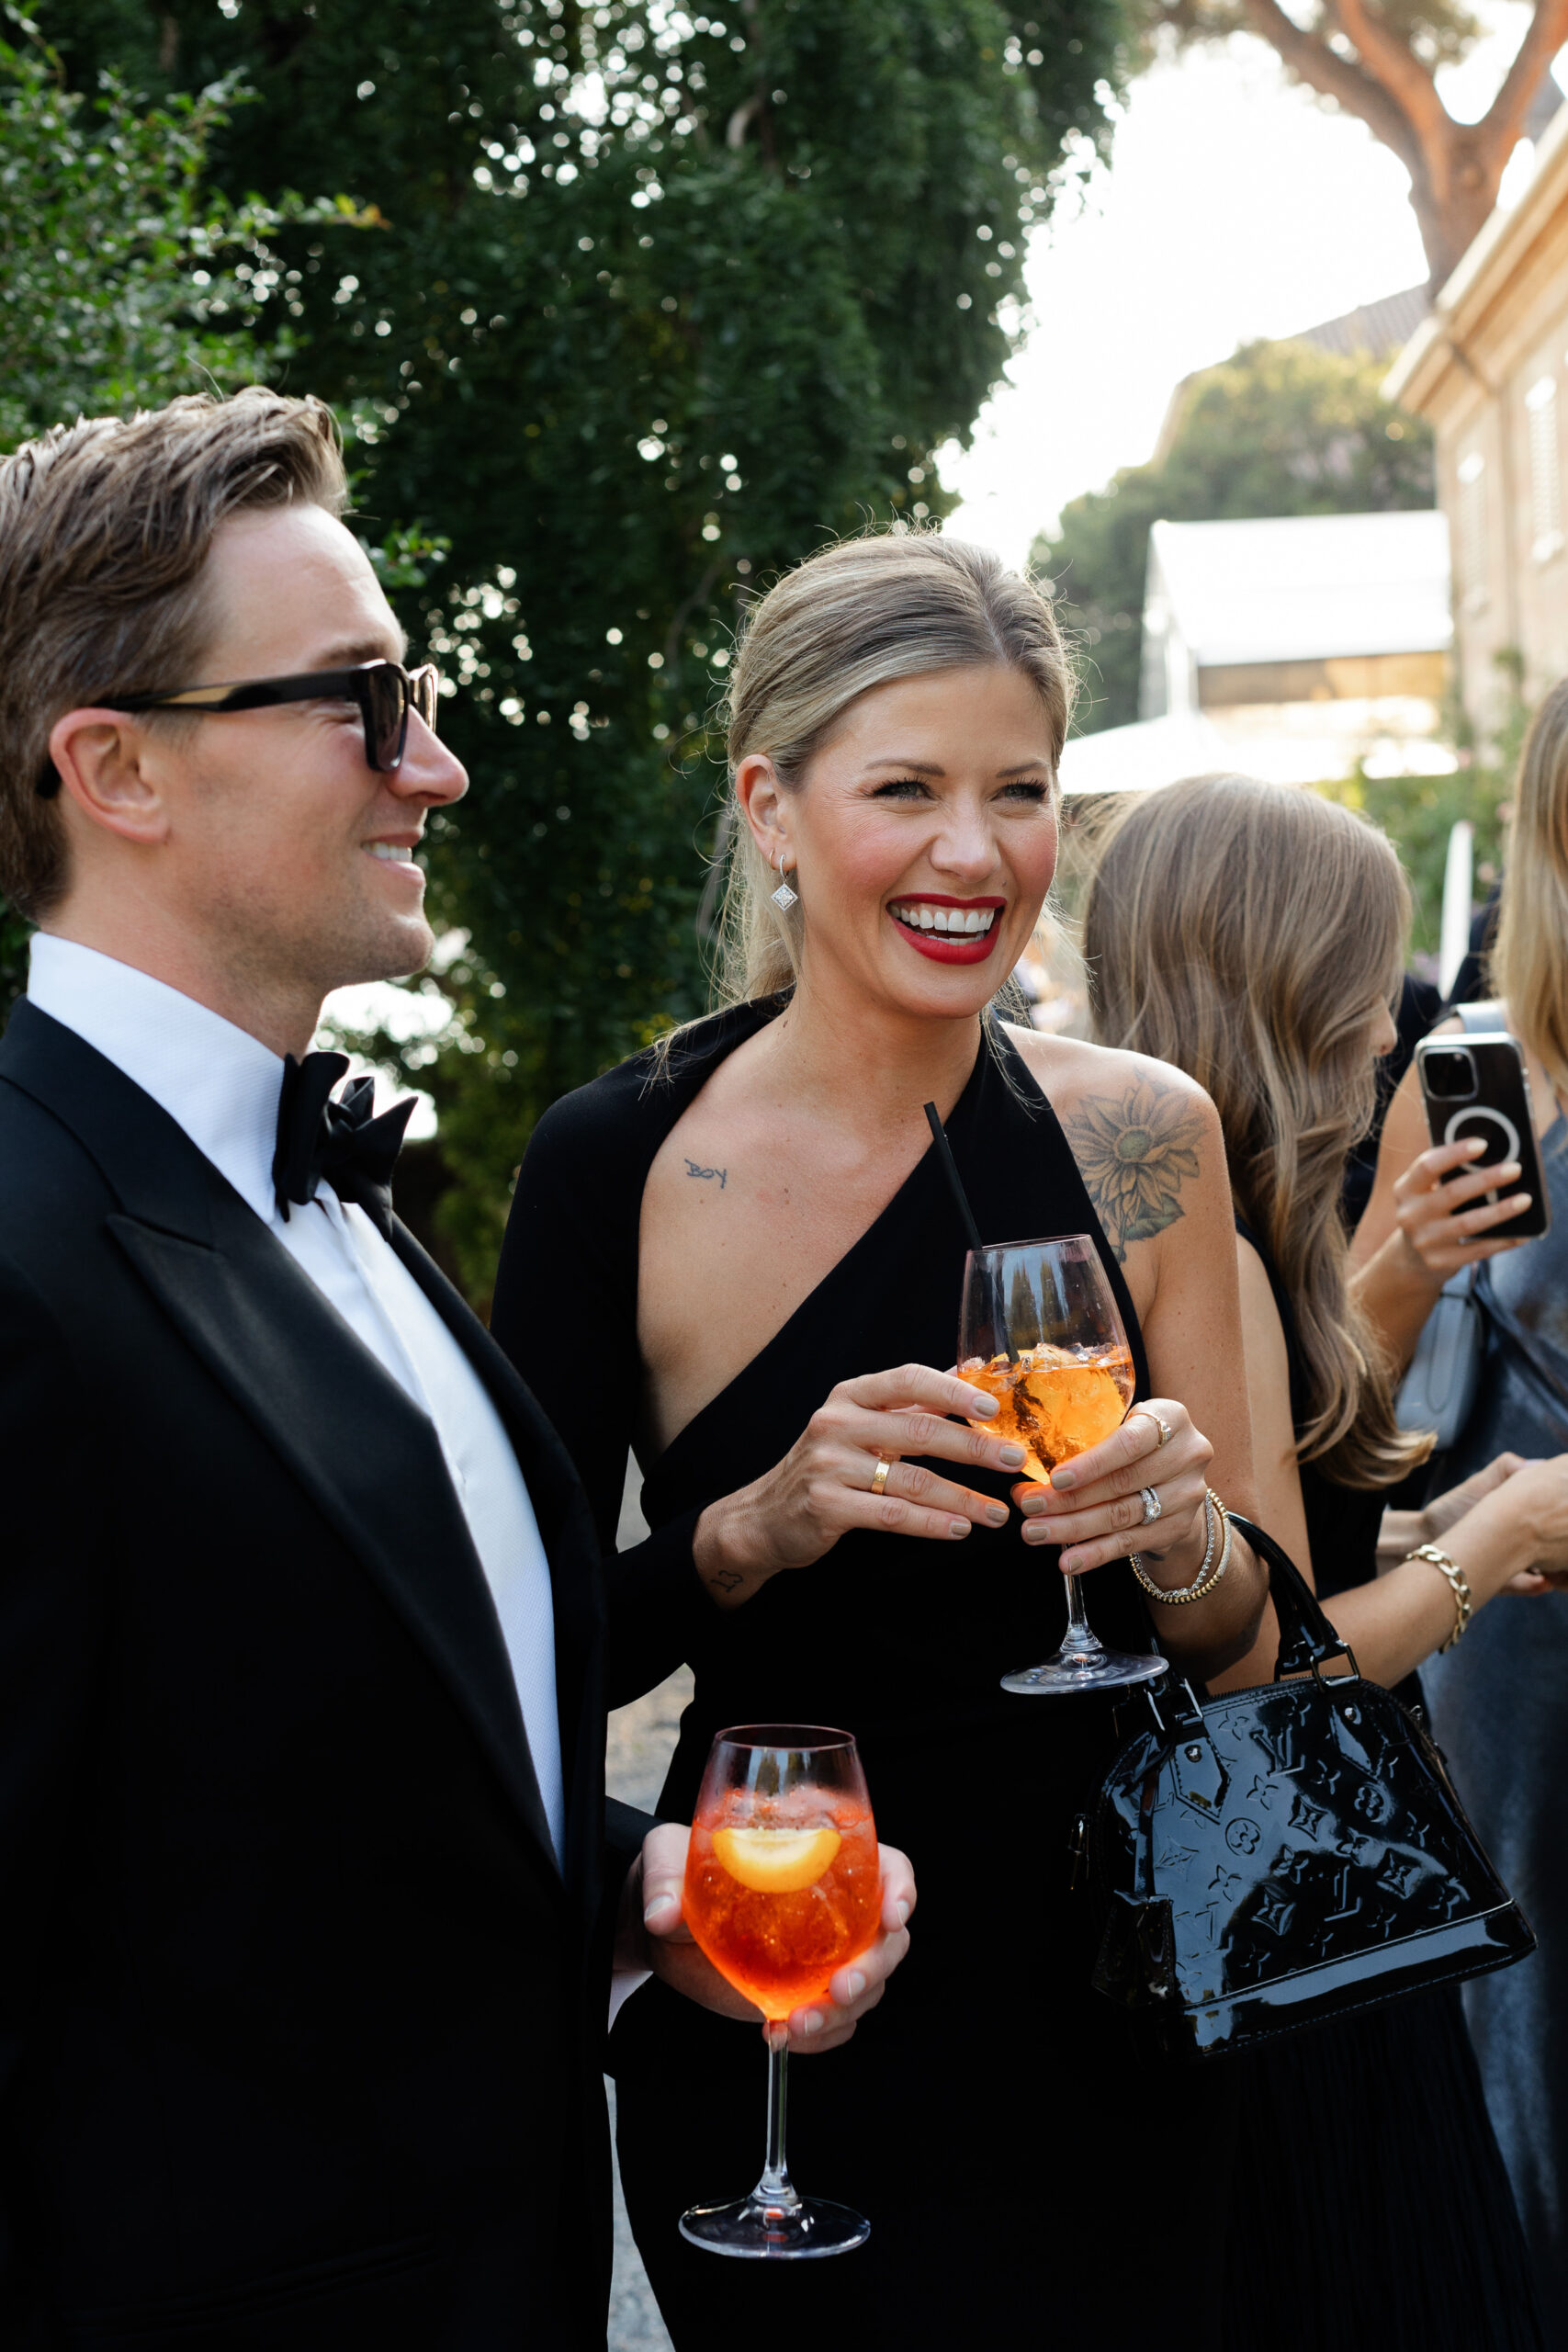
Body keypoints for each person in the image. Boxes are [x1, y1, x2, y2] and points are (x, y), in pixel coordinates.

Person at [0, 390, 913, 2350]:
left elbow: (319, 1787)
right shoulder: (21, 1251)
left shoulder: (342, 1197)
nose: (439, 762)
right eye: (365, 701)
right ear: (117, 768)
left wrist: (639, 1891)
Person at [492, 530, 1270, 2352]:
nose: (973, 852)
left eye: (1019, 792)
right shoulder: (617, 1161)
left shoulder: (1145, 1136)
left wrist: (1185, 1539)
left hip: (1124, 2016)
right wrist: (745, 1531)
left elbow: (1253, 1652)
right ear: (769, 807)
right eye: (905, 789)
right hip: (785, 2006)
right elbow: (514, 1655)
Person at [1085, 771, 1560, 2351]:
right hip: (1295, 1913)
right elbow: (1277, 1672)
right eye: (1368, 980)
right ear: (1283, 984)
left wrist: (1423, 1520)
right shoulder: (1209, 1246)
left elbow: (1281, 1515)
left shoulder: (1200, 1216)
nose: (1387, 1029)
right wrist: (1494, 1543)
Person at [1355, 680, 1568, 2340]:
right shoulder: (1470, 1067)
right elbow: (1345, 1416)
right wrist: (1410, 1262)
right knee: (1526, 2025)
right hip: (1503, 1637)